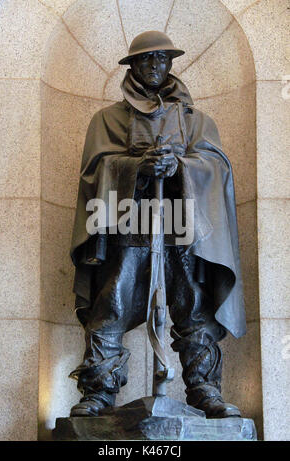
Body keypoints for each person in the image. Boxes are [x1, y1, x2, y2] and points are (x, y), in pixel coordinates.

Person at [69, 31, 246, 419]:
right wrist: (137, 167)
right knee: (112, 303)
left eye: (163, 59)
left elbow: (217, 167)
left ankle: (203, 389)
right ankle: (99, 391)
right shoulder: (107, 119)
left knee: (193, 304)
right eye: (148, 59)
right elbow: (95, 171)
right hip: (127, 225)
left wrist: (181, 167)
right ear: (133, 65)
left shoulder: (195, 120)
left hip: (182, 227)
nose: (156, 66)